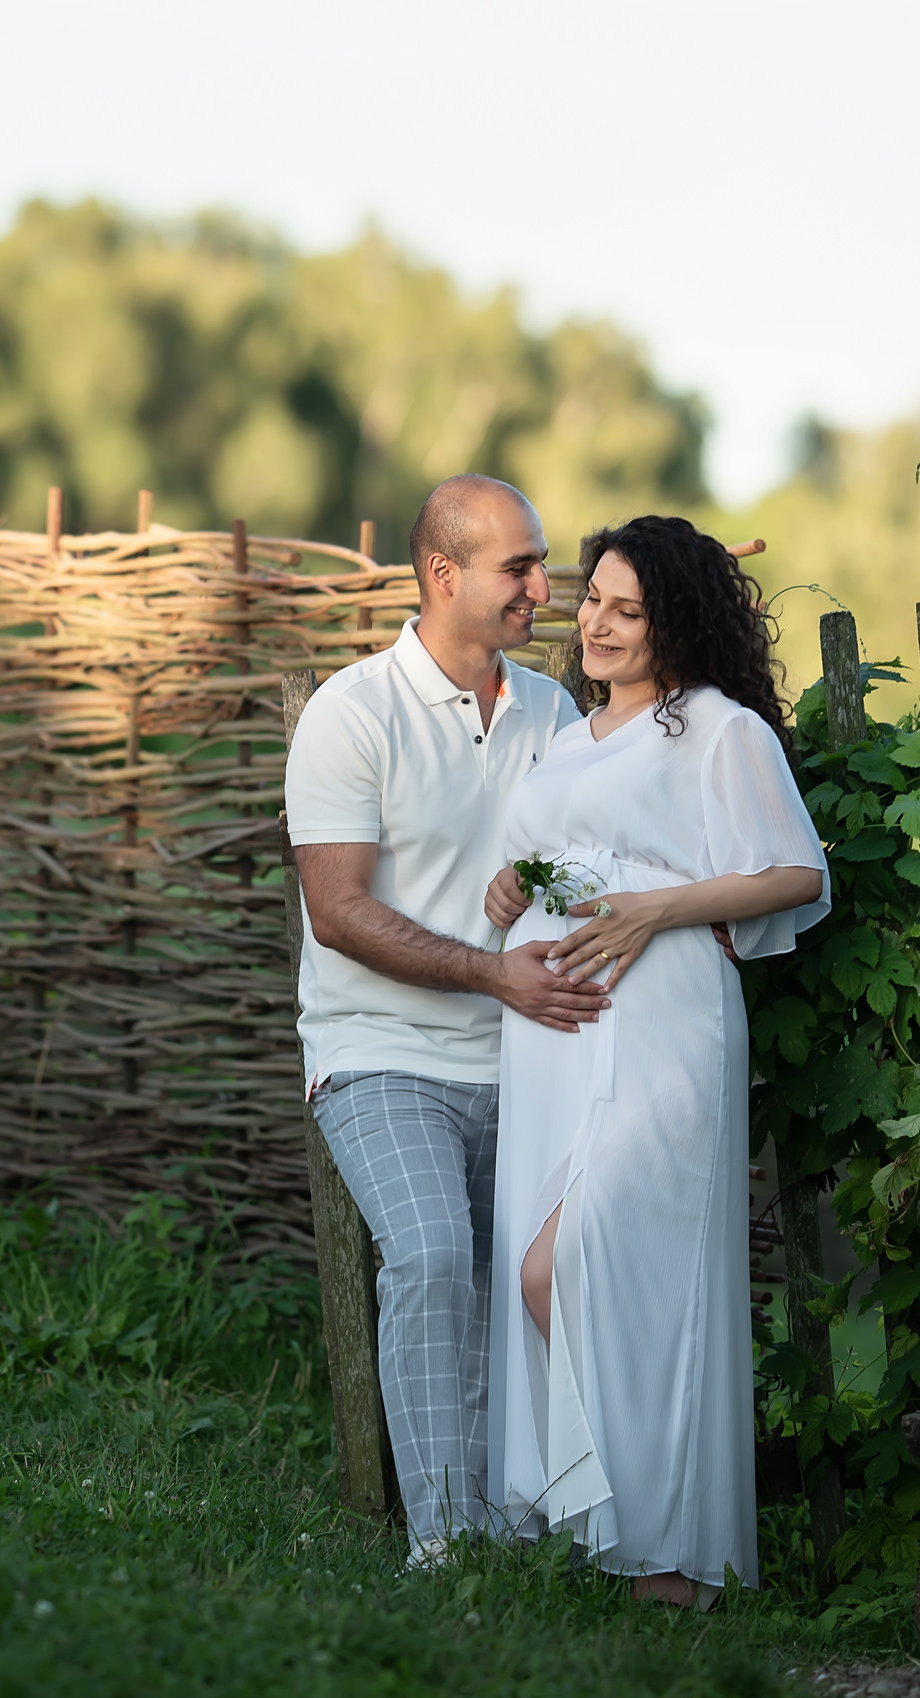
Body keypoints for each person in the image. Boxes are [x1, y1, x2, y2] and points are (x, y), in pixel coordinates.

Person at [482, 515, 830, 1607]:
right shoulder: (572, 736)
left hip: (668, 1025)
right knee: (563, 1273)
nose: (594, 623)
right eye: (591, 599)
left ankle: (673, 1555)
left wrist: (655, 910)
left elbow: (796, 873)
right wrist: (508, 891)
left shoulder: (719, 730)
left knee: (594, 1268)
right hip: (558, 1039)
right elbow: (546, 854)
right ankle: (629, 1545)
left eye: (625, 610)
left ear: (673, 621)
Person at [284, 473, 605, 1566]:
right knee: (429, 1251)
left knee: (561, 1265)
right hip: (381, 1053)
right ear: (441, 574)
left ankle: (555, 1519)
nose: (541, 584)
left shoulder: (555, 713)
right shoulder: (352, 711)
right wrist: (490, 973)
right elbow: (335, 911)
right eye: (519, 565)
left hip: (531, 1056)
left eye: (541, 560)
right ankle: (451, 1545)